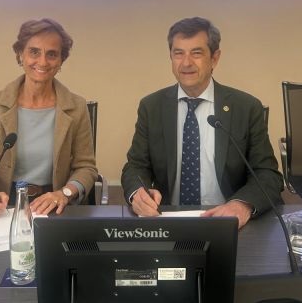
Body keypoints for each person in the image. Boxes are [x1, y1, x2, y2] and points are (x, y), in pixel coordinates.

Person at [121, 16, 283, 228]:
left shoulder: (246, 107)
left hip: (228, 222)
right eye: (178, 53)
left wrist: (241, 205)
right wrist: (138, 193)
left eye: (196, 53)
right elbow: (135, 166)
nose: (186, 63)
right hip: (169, 219)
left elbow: (267, 174)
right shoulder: (151, 107)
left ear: (214, 58)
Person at [0, 18, 98, 218]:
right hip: (6, 203)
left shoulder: (77, 106)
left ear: (61, 61)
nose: (43, 62)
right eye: (34, 52)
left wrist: (64, 193)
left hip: (56, 203)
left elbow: (86, 167)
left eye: (52, 54)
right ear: (20, 54)